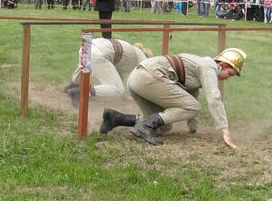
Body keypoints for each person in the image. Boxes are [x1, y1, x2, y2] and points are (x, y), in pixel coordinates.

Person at [99, 48, 247, 149]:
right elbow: (214, 98)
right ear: (222, 64)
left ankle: (116, 118)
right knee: (193, 107)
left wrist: (193, 127)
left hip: (137, 78)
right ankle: (145, 126)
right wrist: (225, 132)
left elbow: (192, 95)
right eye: (230, 74)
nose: (227, 78)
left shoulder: (199, 66)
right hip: (148, 77)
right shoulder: (209, 67)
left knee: (164, 126)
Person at [64, 38, 153, 107]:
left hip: (87, 46)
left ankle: (74, 84)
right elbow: (143, 81)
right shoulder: (144, 60)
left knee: (87, 66)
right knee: (118, 90)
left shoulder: (133, 50)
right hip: (98, 55)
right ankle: (81, 92)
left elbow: (117, 74)